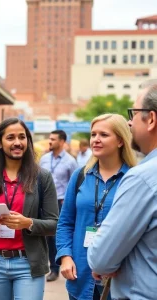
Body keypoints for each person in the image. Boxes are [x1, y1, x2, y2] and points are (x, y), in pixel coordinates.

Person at [0, 117, 58, 300]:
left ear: (28, 141)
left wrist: (28, 223)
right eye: (10, 137)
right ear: (0, 143)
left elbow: (54, 224)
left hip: (28, 263)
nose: (17, 142)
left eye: (22, 137)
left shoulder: (42, 177)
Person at [88, 83, 157, 300]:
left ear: (151, 120)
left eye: (133, 113)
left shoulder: (142, 178)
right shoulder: (82, 176)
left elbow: (101, 258)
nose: (130, 121)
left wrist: (106, 261)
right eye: (93, 134)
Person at [56, 114, 136, 300]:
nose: (96, 140)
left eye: (104, 135)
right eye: (93, 134)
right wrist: (65, 257)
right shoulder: (80, 176)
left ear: (120, 141)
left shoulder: (133, 179)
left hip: (119, 278)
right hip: (80, 275)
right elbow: (66, 222)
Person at [39, 130, 77, 282]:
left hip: (60, 203)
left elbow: (74, 185)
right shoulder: (44, 159)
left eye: (53, 139)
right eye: (49, 138)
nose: (50, 141)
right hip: (43, 203)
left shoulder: (70, 161)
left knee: (57, 236)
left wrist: (68, 204)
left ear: (62, 142)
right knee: (46, 236)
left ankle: (56, 268)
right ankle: (49, 265)